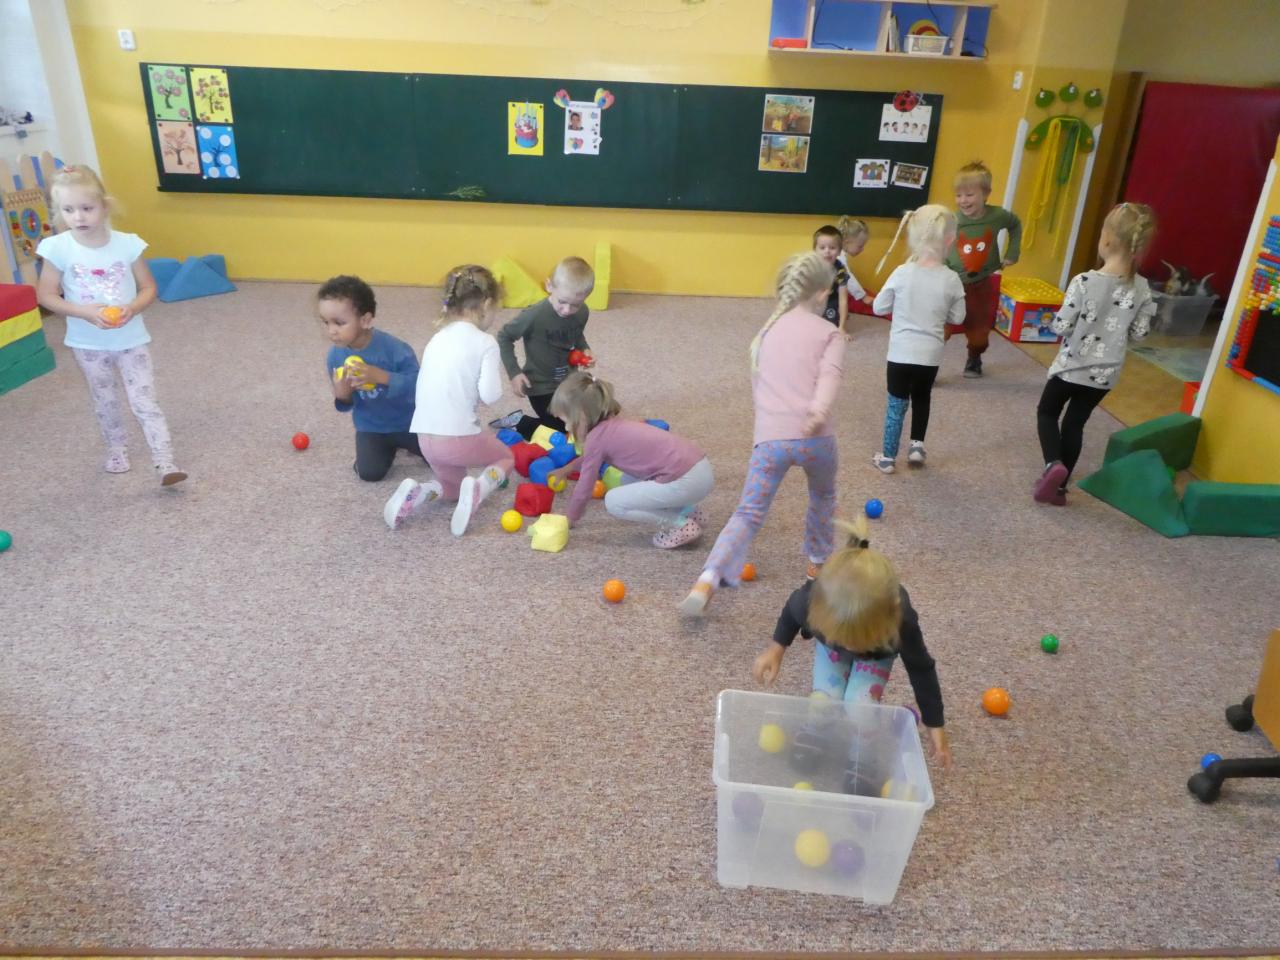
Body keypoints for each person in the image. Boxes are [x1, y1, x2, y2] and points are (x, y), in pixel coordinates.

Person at [680, 252, 844, 616]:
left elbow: (760, 390)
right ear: (822, 294)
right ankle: (817, 566)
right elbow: (831, 376)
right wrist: (817, 411)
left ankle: (707, 578)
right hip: (816, 439)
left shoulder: (765, 332)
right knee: (823, 495)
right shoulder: (830, 333)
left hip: (771, 441)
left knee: (748, 512)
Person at [751, 514, 952, 770]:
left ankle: (862, 752)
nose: (852, 648)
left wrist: (935, 725)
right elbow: (791, 613)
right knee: (824, 699)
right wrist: (776, 648)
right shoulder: (814, 600)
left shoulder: (901, 621)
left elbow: (921, 669)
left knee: (862, 707)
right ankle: (816, 731)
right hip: (830, 649)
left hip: (878, 656)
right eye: (844, 638)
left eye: (860, 640)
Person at [35, 165, 185, 486]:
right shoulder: (58, 248)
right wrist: (82, 311)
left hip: (131, 340)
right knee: (105, 400)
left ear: (104, 206)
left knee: (144, 400)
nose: (78, 217)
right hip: (88, 344)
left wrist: (132, 307)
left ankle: (165, 460)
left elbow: (148, 287)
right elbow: (45, 295)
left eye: (87, 208)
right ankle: (117, 449)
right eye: (68, 210)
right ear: (59, 212)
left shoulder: (127, 244)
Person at [1035, 203, 1157, 505]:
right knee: (1075, 424)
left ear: (1108, 240)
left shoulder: (1083, 281)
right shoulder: (1142, 288)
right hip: (1105, 375)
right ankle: (1059, 490)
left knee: (1047, 413)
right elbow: (1140, 334)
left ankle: (1053, 465)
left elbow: (1062, 326)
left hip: (1071, 366)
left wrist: (1053, 322)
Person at [384, 265, 513, 535]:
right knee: (505, 457)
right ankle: (479, 488)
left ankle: (418, 493)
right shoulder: (486, 342)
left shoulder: (437, 339)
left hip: (425, 439)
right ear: (486, 304)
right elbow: (491, 395)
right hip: (457, 439)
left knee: (451, 489)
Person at [550, 371, 714, 548]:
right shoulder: (612, 425)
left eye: (566, 421)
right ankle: (689, 511)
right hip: (699, 469)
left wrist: (570, 518)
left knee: (614, 502)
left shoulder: (596, 439)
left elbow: (585, 486)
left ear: (581, 416)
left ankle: (680, 525)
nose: (566, 427)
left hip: (687, 481)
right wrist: (566, 470)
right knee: (627, 480)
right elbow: (590, 458)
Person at [871, 204, 966, 474]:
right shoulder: (951, 279)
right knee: (922, 397)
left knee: (896, 404)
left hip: (900, 354)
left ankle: (888, 458)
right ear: (949, 240)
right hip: (930, 355)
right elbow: (958, 317)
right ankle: (916, 446)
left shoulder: (902, 272)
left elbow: (879, 307)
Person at [319, 275, 423, 482]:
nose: (331, 331)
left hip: (410, 422)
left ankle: (403, 445)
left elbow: (420, 385)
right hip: (372, 428)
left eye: (339, 323)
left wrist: (382, 377)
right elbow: (345, 404)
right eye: (326, 322)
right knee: (369, 474)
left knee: (441, 458)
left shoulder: (396, 349)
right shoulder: (335, 357)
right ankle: (378, 452)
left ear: (365, 320)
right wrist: (343, 396)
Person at [493, 256, 594, 441]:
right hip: (541, 386)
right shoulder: (534, 315)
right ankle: (520, 422)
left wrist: (584, 348)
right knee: (561, 432)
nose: (567, 310)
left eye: (575, 305)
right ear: (549, 286)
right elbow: (504, 337)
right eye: (562, 301)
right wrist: (514, 373)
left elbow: (577, 334)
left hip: (569, 382)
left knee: (588, 421)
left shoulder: (582, 312)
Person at [945, 161, 1022, 379]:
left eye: (969, 195)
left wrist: (1012, 253)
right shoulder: (953, 219)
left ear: (986, 194)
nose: (963, 200)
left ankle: (974, 357)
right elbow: (938, 241)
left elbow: (1015, 224)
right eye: (958, 195)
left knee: (979, 333)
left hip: (981, 283)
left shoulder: (997, 216)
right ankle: (926, 365)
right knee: (939, 330)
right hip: (951, 283)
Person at [836, 215, 877, 316]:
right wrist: (863, 297)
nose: (862, 250)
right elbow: (847, 278)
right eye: (860, 246)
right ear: (846, 242)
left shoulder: (839, 254)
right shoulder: (838, 257)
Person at [813, 224, 850, 331]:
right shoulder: (812, 267)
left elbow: (843, 300)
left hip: (831, 301)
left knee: (830, 327)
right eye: (822, 248)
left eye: (832, 248)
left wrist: (841, 327)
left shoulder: (840, 271)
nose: (827, 251)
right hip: (812, 300)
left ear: (839, 251)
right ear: (815, 250)